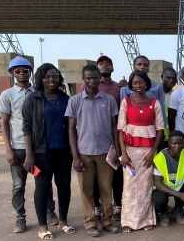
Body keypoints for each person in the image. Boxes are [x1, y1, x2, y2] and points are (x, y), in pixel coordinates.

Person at [0, 57, 58, 233]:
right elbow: (4, 121)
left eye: (25, 70)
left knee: (45, 183)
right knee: (19, 185)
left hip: (40, 146)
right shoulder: (7, 95)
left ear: (31, 72)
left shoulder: (38, 93)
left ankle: (50, 212)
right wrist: (8, 149)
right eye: (17, 71)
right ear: (12, 73)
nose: (22, 73)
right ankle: (20, 217)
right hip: (18, 147)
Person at [22, 63, 74, 239]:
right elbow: (27, 128)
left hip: (63, 150)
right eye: (47, 77)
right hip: (42, 152)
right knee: (42, 187)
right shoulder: (33, 99)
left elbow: (72, 125)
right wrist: (29, 155)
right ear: (40, 79)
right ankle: (42, 226)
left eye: (54, 76)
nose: (51, 80)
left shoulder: (65, 98)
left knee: (64, 185)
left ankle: (63, 221)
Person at [66, 65, 119, 237]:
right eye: (88, 78)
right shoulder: (74, 101)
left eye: (95, 77)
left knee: (106, 188)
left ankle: (107, 220)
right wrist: (75, 156)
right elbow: (71, 130)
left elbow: (114, 127)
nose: (92, 81)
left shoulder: (109, 100)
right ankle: (90, 223)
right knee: (86, 189)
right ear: (84, 79)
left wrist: (117, 152)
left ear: (100, 78)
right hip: (84, 152)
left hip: (105, 151)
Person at [117, 70, 165, 233]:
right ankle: (128, 222)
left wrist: (153, 152)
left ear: (146, 84)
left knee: (145, 187)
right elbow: (120, 130)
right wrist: (123, 153)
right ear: (131, 85)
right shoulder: (126, 102)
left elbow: (160, 129)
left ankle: (146, 220)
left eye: (141, 82)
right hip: (130, 151)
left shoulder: (154, 102)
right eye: (135, 83)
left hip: (148, 152)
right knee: (130, 187)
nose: (138, 85)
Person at [79, 55, 123, 221]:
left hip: (110, 141)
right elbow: (76, 121)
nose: (105, 65)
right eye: (101, 63)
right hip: (88, 144)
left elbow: (115, 122)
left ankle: (114, 209)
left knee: (112, 179)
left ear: (112, 68)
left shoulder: (118, 89)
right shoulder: (81, 93)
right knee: (91, 183)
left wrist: (117, 147)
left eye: (108, 63)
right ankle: (95, 212)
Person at [153, 131, 184, 227]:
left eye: (180, 143)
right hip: (164, 187)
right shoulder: (159, 158)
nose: (178, 146)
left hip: (181, 186)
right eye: (174, 143)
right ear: (169, 143)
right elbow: (158, 184)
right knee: (159, 199)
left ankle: (178, 209)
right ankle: (163, 213)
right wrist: (179, 194)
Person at [120, 55, 166, 124]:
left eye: (145, 65)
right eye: (139, 64)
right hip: (132, 129)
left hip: (152, 128)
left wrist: (161, 130)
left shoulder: (158, 87)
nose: (142, 67)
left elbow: (161, 110)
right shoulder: (125, 89)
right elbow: (123, 113)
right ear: (134, 67)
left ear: (148, 68)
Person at [161, 67, 178, 147]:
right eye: (168, 78)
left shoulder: (176, 95)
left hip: (170, 137)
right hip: (155, 137)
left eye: (174, 79)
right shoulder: (154, 93)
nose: (171, 81)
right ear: (162, 77)